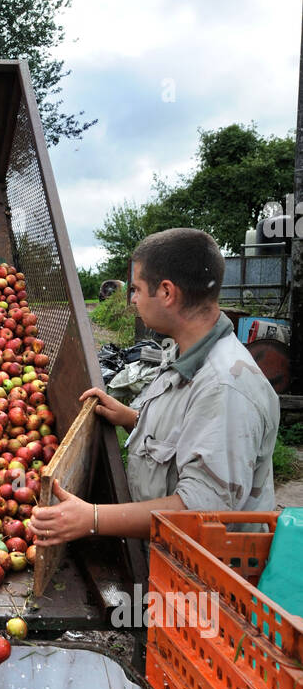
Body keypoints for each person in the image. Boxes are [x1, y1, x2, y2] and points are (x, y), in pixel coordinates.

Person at [30, 228, 280, 548]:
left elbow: (201, 511)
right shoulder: (186, 354)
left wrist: (92, 519)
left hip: (203, 584)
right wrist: (131, 417)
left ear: (166, 292)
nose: (132, 299)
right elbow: (190, 433)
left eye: (136, 289)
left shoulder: (225, 388)